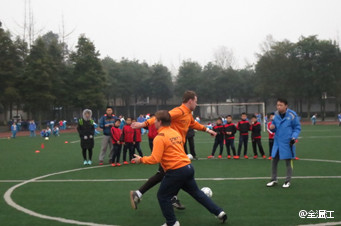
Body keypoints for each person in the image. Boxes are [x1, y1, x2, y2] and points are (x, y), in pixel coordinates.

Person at [132, 110, 227, 226]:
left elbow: (155, 159)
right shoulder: (175, 132)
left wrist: (140, 160)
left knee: (162, 196)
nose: (154, 122)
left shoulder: (159, 137)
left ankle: (172, 223)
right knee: (197, 193)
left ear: (160, 122)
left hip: (176, 171)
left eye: (155, 120)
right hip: (188, 168)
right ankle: (219, 212)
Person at [130, 90, 217, 210]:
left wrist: (207, 130)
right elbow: (161, 117)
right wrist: (143, 124)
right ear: (190, 101)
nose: (196, 104)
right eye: (196, 102)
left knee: (171, 174)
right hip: (170, 146)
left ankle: (166, 197)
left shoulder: (188, 114)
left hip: (178, 147)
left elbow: (193, 124)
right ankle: (143, 194)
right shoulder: (179, 111)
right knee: (169, 173)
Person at [267, 98, 301, 188]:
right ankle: (274, 179)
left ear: (286, 106)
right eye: (277, 105)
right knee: (274, 160)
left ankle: (287, 181)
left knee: (288, 162)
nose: (278, 107)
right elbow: (274, 127)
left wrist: (294, 137)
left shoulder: (292, 115)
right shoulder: (276, 115)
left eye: (281, 105)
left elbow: (297, 128)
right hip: (277, 142)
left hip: (287, 142)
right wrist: (272, 127)